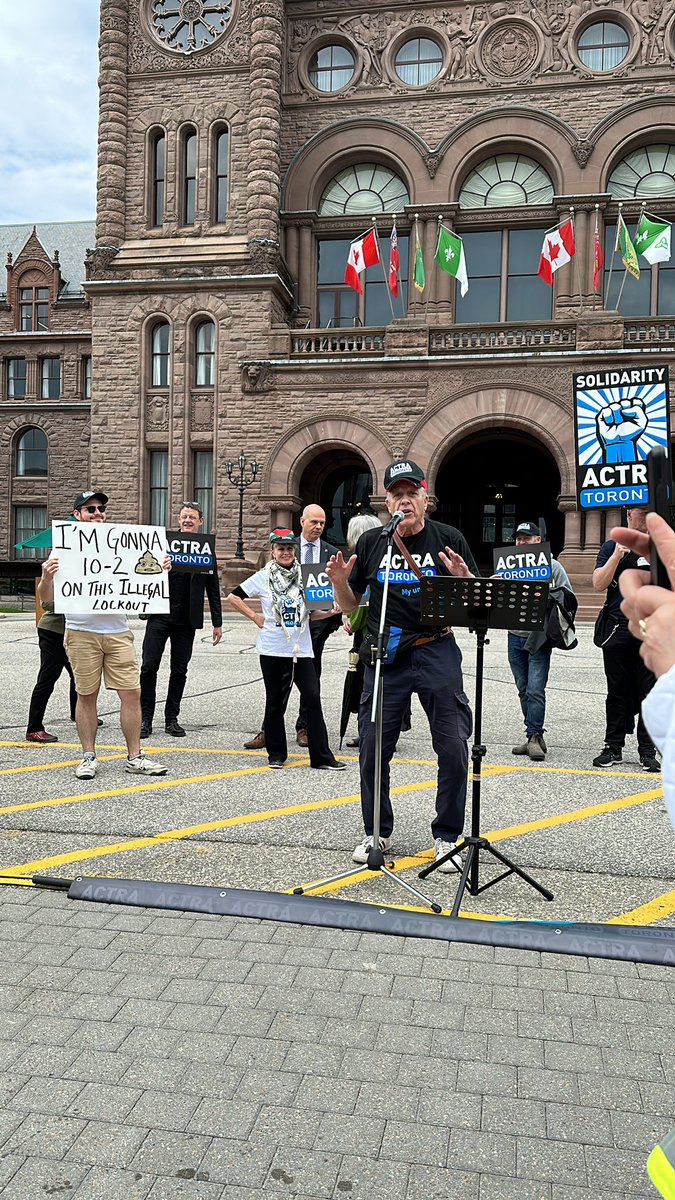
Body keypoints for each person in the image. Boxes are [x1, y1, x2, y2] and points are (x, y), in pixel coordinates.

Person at [326, 459, 477, 872]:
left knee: (452, 746)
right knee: (373, 747)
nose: (404, 500)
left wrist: (463, 580)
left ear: (426, 499)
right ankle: (376, 831)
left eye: (412, 493)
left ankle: (447, 836)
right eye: (397, 494)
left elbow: (473, 612)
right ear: (386, 501)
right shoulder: (374, 542)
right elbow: (353, 608)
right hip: (386, 653)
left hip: (436, 648)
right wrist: (340, 582)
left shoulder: (449, 539)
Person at [40, 489, 169, 780]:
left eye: (100, 509)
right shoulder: (64, 548)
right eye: (90, 509)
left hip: (117, 632)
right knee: (86, 695)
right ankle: (88, 756)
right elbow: (46, 600)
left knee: (132, 693)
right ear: (77, 515)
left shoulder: (126, 545)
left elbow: (145, 583)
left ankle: (135, 756)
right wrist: (47, 577)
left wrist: (161, 571)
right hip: (81, 633)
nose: (97, 513)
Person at [227, 528, 346, 771]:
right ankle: (277, 754)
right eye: (281, 548)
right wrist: (256, 617)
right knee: (274, 701)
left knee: (312, 697)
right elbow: (234, 597)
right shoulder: (263, 576)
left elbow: (311, 615)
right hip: (273, 646)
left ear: (295, 550)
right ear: (272, 551)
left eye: (290, 548)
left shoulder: (306, 575)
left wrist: (329, 613)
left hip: (301, 648)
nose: (286, 552)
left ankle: (322, 756)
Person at [243, 503, 341, 750]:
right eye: (314, 522)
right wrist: (256, 617)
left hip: (315, 629)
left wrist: (336, 614)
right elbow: (251, 589)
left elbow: (336, 589)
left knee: (310, 686)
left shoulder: (330, 552)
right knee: (278, 688)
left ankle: (304, 727)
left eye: (322, 523)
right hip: (280, 635)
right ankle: (269, 731)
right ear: (302, 522)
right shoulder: (285, 548)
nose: (318, 527)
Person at [140, 501, 222, 738]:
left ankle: (171, 718)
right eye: (184, 516)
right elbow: (143, 575)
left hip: (187, 620)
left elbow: (213, 590)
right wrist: (160, 568)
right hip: (159, 615)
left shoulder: (206, 550)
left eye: (192, 517)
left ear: (200, 522)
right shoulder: (163, 546)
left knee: (179, 669)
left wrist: (217, 622)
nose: (187, 520)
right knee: (148, 667)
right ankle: (145, 718)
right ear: (178, 519)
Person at [592, 506, 660, 771]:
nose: (641, 514)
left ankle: (647, 750)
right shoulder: (612, 546)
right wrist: (617, 557)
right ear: (627, 513)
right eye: (637, 510)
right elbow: (598, 583)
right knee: (616, 690)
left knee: (649, 691)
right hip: (618, 627)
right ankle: (613, 746)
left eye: (647, 509)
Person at [507, 521, 575, 762]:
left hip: (540, 636)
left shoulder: (553, 567)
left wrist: (548, 594)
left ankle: (534, 736)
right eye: (518, 539)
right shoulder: (508, 566)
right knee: (523, 688)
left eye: (526, 538)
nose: (521, 542)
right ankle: (532, 734)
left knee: (536, 689)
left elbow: (569, 598)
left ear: (538, 541)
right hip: (514, 634)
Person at [25, 590, 78, 743]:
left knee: (78, 675)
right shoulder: (58, 571)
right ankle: (34, 728)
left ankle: (78, 713)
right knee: (47, 678)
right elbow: (46, 604)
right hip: (53, 631)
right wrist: (78, 604)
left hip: (74, 632)